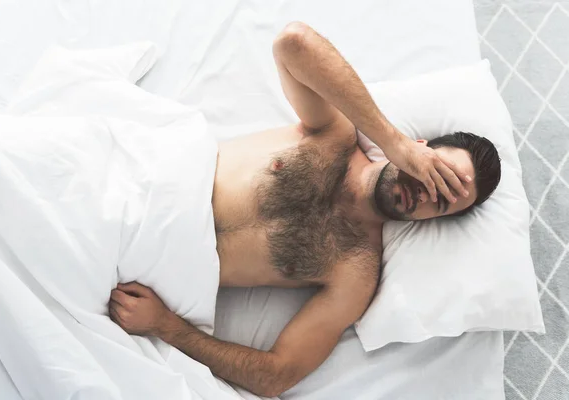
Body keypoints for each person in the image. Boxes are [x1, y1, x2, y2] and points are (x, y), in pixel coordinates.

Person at [108, 22, 501, 397]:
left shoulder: (357, 272)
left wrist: (167, 327)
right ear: (421, 147)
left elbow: (276, 376)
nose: (429, 192)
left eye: (444, 201)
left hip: (135, 268)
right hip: (129, 182)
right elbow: (293, 43)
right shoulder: (334, 134)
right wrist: (394, 143)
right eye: (440, 174)